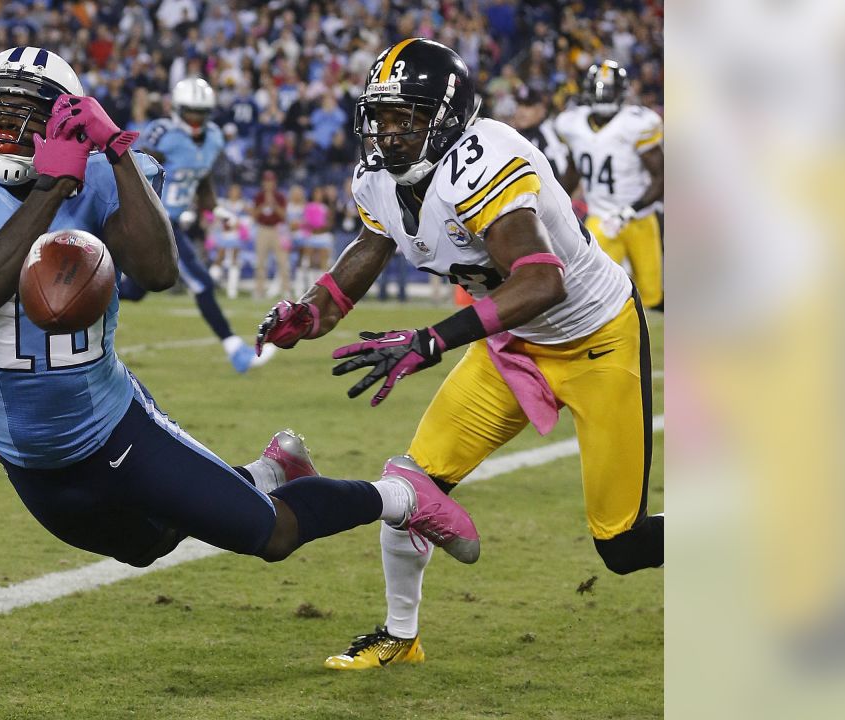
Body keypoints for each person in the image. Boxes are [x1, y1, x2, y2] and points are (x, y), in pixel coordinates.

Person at [0, 46, 476, 579]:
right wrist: (52, 187)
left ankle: (399, 497)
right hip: (27, 454)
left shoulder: (100, 177)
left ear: (61, 125)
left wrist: (117, 152)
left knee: (272, 534)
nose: (11, 129)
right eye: (1, 114)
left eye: (30, 116)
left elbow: (157, 271)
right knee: (150, 543)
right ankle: (267, 473)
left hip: (114, 426)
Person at [256, 38, 663, 670]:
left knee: (622, 544)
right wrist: (308, 311)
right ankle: (400, 635)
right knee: (411, 487)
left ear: (445, 119)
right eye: (381, 117)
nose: (387, 134)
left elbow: (540, 279)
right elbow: (361, 259)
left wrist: (431, 340)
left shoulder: (481, 158)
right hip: (511, 345)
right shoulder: (382, 181)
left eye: (404, 117)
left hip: (594, 339)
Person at [121, 78, 272, 373]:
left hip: (172, 222)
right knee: (201, 282)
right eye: (191, 113)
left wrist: (214, 208)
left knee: (135, 291)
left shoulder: (214, 137)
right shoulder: (163, 134)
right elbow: (134, 172)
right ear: (177, 110)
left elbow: (201, 178)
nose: (196, 120)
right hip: (154, 222)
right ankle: (235, 351)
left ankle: (87, 304)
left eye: (201, 114)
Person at [554, 61, 664, 310]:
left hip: (640, 218)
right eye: (600, 90)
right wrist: (555, 203)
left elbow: (662, 177)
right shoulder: (572, 125)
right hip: (601, 218)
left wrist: (630, 211)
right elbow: (572, 171)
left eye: (610, 90)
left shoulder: (636, 123)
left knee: (652, 294)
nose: (604, 96)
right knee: (597, 294)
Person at [252, 170, 290, 299]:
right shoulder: (259, 197)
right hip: (263, 229)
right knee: (260, 262)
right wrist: (263, 205)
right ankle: (259, 290)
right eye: (266, 181)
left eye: (271, 181)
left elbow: (284, 216)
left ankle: (286, 290)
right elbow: (254, 215)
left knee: (282, 261)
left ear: (274, 182)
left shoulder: (280, 197)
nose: (268, 184)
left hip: (277, 229)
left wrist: (273, 204)